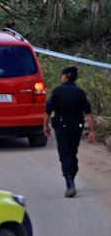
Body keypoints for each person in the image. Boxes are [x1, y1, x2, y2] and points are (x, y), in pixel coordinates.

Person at [44, 66, 96, 198]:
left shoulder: (57, 91)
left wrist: (45, 126)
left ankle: (70, 182)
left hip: (62, 127)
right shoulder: (80, 92)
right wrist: (91, 131)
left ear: (65, 76)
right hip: (76, 127)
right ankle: (72, 173)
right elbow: (88, 113)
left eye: (62, 75)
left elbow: (48, 111)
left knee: (65, 154)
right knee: (72, 152)